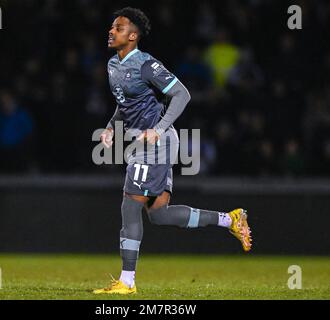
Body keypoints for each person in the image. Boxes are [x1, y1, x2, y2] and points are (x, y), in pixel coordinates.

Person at [93, 7, 252, 295]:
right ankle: (230, 219)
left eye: (117, 27)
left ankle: (127, 283)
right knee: (159, 215)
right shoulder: (113, 66)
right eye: (112, 26)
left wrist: (159, 128)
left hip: (156, 144)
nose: (111, 30)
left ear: (132, 35)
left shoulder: (145, 64)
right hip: (145, 143)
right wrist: (109, 127)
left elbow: (182, 94)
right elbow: (124, 104)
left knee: (130, 205)